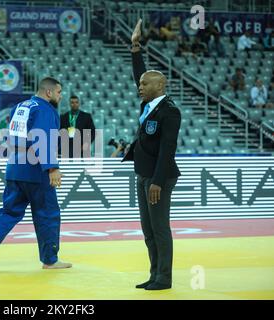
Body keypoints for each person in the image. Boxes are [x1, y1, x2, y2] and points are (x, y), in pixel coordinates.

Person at [0, 77, 72, 271]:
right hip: (35, 169)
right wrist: (52, 167)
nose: (61, 96)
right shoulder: (44, 108)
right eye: (59, 92)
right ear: (49, 92)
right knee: (48, 214)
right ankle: (50, 260)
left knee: (10, 211)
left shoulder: (21, 106)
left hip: (15, 166)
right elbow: (41, 136)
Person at [122, 19, 181, 291]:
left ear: (160, 86)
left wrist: (157, 181)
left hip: (160, 177)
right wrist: (135, 47)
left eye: (145, 84)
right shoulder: (148, 103)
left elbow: (168, 151)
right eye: (141, 83)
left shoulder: (170, 111)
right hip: (143, 174)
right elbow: (138, 74)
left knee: (159, 228)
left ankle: (164, 278)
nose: (140, 86)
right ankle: (154, 273)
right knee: (147, 230)